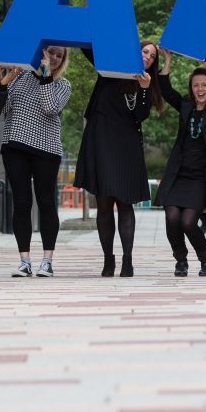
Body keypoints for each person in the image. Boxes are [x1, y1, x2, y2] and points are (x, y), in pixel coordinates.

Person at [73, 42, 160, 278]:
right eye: (145, 51)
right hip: (101, 136)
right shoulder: (112, 66)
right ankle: (108, 259)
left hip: (126, 143)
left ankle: (127, 259)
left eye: (152, 57)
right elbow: (88, 48)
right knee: (103, 201)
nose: (147, 58)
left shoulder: (147, 84)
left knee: (125, 202)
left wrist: (144, 89)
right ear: (136, 50)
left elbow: (140, 115)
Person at [0, 45, 73, 278]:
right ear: (40, 53)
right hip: (15, 145)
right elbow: (1, 109)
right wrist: (2, 83)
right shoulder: (18, 76)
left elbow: (50, 108)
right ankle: (24, 261)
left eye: (59, 55)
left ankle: (47, 261)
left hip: (47, 149)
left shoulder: (63, 85)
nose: (54, 58)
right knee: (22, 203)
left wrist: (46, 75)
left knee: (46, 202)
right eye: (51, 53)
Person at [154, 47, 206, 277]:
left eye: (204, 85)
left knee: (188, 222)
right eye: (196, 85)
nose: (200, 89)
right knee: (172, 218)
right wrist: (167, 60)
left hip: (201, 178)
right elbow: (166, 90)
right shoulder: (186, 107)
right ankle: (180, 260)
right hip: (178, 175)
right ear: (191, 88)